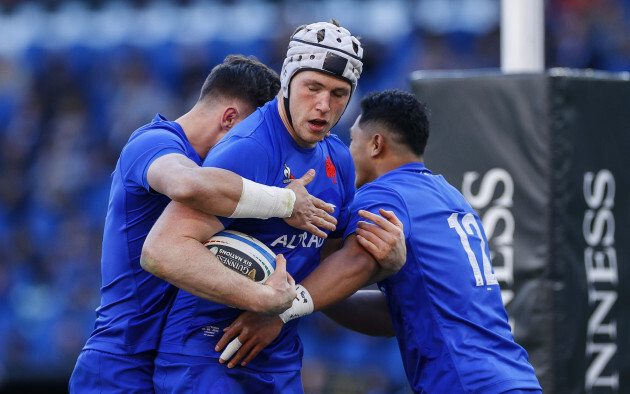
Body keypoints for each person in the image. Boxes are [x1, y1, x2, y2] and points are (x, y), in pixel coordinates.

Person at [141, 20, 407, 393]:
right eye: (312, 87)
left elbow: (329, 262)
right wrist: (260, 299)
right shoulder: (250, 147)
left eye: (338, 93)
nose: (323, 105)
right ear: (286, 80)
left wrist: (383, 263)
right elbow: (161, 251)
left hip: (277, 357)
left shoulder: (339, 159)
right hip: (206, 354)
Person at [69, 55, 337, 393]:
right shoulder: (153, 143)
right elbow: (187, 185)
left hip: (175, 358)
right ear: (230, 119)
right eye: (251, 133)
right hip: (119, 361)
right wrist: (283, 202)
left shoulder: (224, 175)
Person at [321, 89, 543, 393]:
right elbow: (401, 314)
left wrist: (285, 304)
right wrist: (325, 300)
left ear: (376, 144)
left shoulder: (384, 195)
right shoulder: (451, 196)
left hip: (464, 383)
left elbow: (346, 268)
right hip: (515, 379)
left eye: (352, 141)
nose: (349, 151)